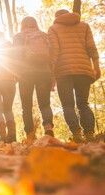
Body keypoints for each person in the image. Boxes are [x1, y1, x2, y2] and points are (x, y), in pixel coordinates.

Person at [48, 9, 101, 142]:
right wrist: (96, 67)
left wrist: (51, 75)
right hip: (84, 70)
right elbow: (91, 47)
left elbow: (54, 52)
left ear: (56, 17)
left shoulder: (53, 29)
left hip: (63, 72)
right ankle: (89, 134)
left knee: (67, 105)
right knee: (83, 104)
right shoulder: (84, 26)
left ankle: (76, 134)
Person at [13, 16, 54, 141]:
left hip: (26, 74)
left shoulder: (19, 36)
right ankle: (48, 128)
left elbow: (16, 55)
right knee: (45, 103)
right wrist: (52, 74)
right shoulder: (43, 35)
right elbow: (51, 54)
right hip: (44, 72)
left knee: (26, 105)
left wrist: (16, 72)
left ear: (22, 25)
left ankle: (30, 134)